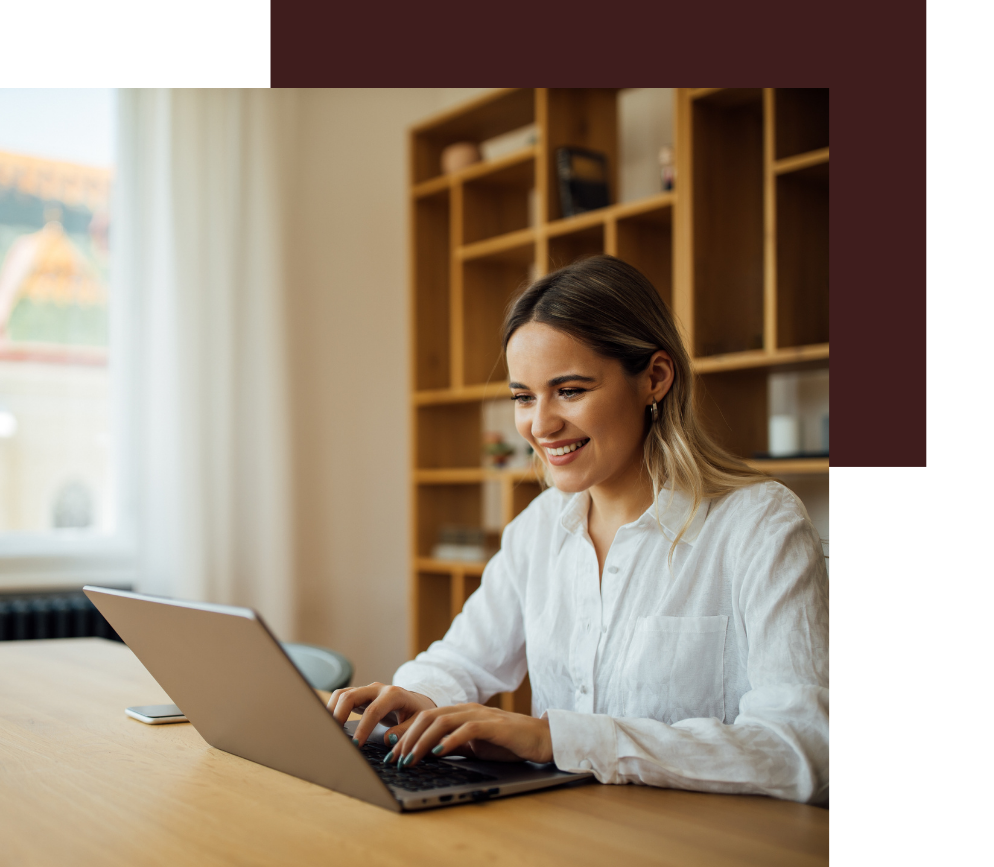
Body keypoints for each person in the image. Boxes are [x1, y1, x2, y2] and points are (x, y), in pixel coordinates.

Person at [329, 256, 830, 805]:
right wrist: (412, 699)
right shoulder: (538, 530)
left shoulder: (760, 526)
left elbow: (801, 748)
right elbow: (464, 661)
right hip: (564, 838)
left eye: (569, 390)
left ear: (655, 379)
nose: (539, 425)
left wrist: (553, 738)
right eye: (523, 396)